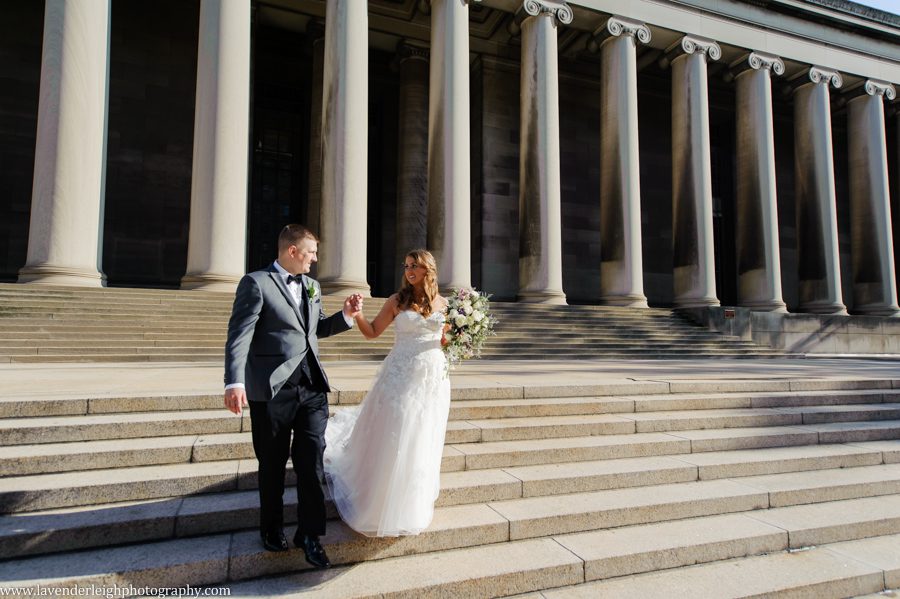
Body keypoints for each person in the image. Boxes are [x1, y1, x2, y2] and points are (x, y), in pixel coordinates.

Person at [223, 224, 363, 569]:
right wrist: (233, 382)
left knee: (312, 462)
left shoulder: (313, 287)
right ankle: (270, 528)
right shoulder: (255, 283)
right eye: (311, 253)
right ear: (292, 252)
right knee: (271, 464)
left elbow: (314, 330)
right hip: (271, 391)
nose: (315, 260)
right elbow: (239, 335)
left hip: (312, 388)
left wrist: (345, 316)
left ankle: (310, 535)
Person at [324, 249, 451, 537]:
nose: (409, 271)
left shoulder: (444, 303)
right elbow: (372, 332)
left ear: (427, 269)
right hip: (400, 376)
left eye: (414, 266)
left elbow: (445, 340)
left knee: (422, 436)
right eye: (406, 266)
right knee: (396, 431)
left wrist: (465, 334)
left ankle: (412, 503)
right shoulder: (397, 301)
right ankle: (379, 501)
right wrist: (357, 315)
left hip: (432, 379)